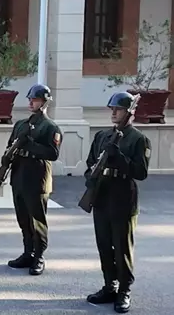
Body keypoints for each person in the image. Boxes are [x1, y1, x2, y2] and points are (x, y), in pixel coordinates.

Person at [84, 91, 150, 313]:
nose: (113, 112)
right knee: (104, 245)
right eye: (112, 109)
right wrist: (90, 178)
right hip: (102, 195)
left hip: (123, 197)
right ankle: (109, 286)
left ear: (130, 112)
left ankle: (124, 290)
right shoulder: (102, 136)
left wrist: (119, 157)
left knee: (122, 247)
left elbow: (140, 172)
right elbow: (90, 162)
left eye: (118, 109)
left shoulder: (138, 139)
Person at [4, 84, 62, 276]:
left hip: (37, 179)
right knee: (23, 218)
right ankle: (28, 252)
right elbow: (10, 145)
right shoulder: (21, 124)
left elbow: (52, 153)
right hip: (19, 176)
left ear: (45, 102)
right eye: (30, 99)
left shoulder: (50, 127)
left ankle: (39, 256)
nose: (31, 102)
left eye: (35, 99)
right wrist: (7, 157)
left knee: (37, 221)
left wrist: (30, 145)